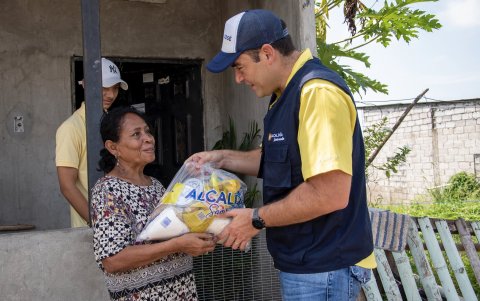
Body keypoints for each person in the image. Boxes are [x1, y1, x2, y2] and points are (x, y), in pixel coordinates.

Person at [189, 9, 376, 300]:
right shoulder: (284, 95)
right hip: (307, 265)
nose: (238, 79)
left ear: (267, 54)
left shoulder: (316, 93)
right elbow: (280, 161)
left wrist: (255, 219)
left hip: (324, 267)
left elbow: (330, 193)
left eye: (239, 67)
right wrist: (222, 158)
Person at [91, 106, 215, 300]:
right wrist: (177, 245)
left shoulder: (155, 185)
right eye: (136, 134)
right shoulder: (108, 191)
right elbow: (112, 260)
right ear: (113, 147)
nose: (148, 138)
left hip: (180, 291)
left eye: (147, 131)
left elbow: (176, 230)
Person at [55, 58, 128, 227]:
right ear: (86, 85)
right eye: (104, 88)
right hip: (93, 232)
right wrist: (98, 224)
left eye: (115, 88)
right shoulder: (71, 128)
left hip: (122, 224)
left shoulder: (112, 124)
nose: (110, 95)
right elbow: (67, 185)